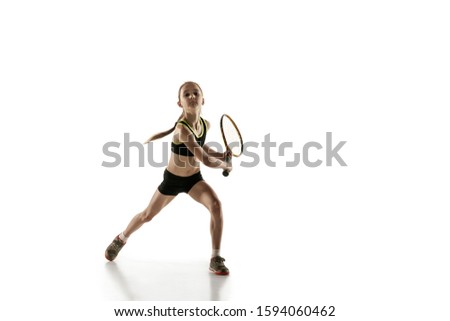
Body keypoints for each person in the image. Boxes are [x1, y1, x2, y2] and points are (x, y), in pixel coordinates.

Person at [105, 81, 232, 275]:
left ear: (203, 99)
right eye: (186, 94)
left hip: (194, 180)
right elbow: (204, 159)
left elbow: (202, 147)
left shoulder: (205, 124)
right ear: (179, 103)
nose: (191, 97)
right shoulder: (182, 129)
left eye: (195, 93)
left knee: (216, 205)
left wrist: (222, 156)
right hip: (173, 180)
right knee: (147, 215)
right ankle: (121, 238)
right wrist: (225, 165)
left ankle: (215, 258)